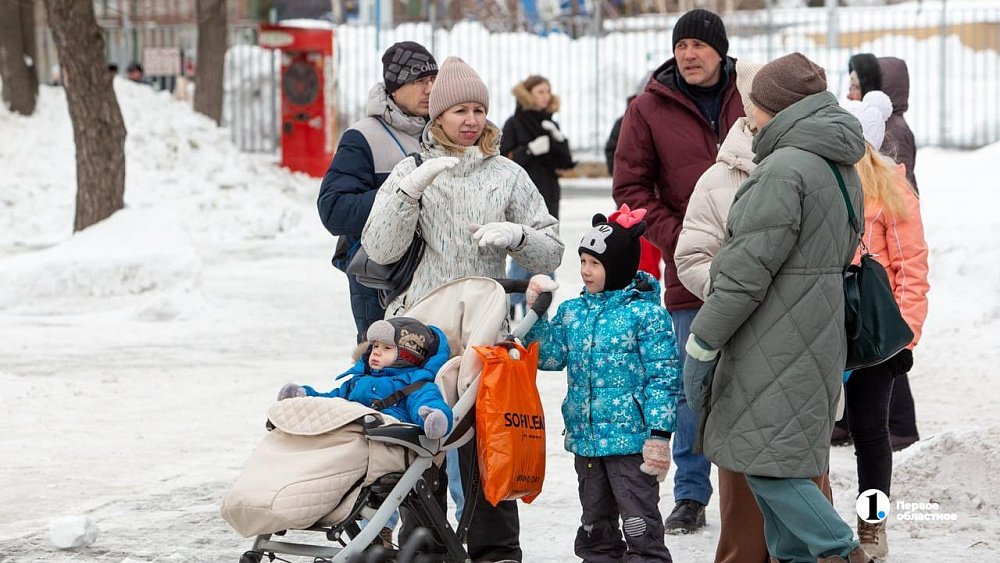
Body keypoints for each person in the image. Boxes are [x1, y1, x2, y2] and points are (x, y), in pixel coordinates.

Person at [362, 56, 563, 562]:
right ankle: (422, 550)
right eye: (458, 111)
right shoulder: (412, 170)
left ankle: (496, 553)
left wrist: (518, 235)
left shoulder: (508, 175)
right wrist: (409, 191)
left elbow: (553, 250)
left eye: (478, 109)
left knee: (486, 449)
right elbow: (380, 247)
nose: (470, 120)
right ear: (438, 117)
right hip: (419, 334)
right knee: (418, 449)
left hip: (486, 331)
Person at [682, 52, 872, 563]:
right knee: (780, 460)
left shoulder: (783, 169)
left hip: (774, 336)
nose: (751, 117)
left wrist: (703, 340)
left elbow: (743, 277)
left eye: (756, 106)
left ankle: (841, 550)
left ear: (778, 108)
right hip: (815, 328)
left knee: (765, 465)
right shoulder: (836, 163)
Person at [612, 8, 743, 534]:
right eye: (680, 45)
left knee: (758, 374)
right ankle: (690, 493)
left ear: (720, 50)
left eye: (698, 45)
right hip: (690, 271)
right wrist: (683, 241)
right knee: (692, 382)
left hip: (762, 263)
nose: (687, 54)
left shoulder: (751, 93)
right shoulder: (647, 109)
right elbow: (632, 193)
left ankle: (757, 487)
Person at [524, 204, 680, 562]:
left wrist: (659, 434)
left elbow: (664, 378)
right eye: (582, 261)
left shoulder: (646, 315)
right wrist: (535, 314)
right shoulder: (573, 312)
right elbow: (549, 358)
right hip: (587, 441)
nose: (585, 271)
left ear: (619, 266)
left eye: (594, 263)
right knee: (595, 525)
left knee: (640, 524)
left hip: (631, 444)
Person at [837, 91, 929, 560]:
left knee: (870, 436)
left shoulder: (891, 189)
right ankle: (821, 528)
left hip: (875, 336)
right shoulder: (823, 181)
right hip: (826, 329)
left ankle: (872, 526)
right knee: (815, 434)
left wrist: (906, 336)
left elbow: (912, 267)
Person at [276, 316, 455, 548]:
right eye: (375, 346)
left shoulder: (417, 385)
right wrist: (304, 396)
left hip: (384, 452)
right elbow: (332, 400)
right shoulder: (357, 382)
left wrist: (436, 417)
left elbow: (433, 404)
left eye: (387, 348)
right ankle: (285, 503)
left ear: (408, 355)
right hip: (351, 449)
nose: (376, 353)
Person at [318, 42, 437, 342]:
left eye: (433, 80)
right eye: (419, 81)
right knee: (384, 372)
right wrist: (401, 197)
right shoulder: (363, 137)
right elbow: (334, 210)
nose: (430, 88)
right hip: (381, 282)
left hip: (436, 275)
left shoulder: (444, 132)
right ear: (395, 87)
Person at [500, 75, 574, 315]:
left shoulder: (550, 123)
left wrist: (558, 141)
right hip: (521, 197)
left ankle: (542, 306)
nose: (546, 96)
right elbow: (503, 159)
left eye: (548, 91)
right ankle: (511, 303)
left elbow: (565, 162)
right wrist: (529, 150)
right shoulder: (515, 123)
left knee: (548, 250)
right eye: (541, 91)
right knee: (524, 250)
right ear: (528, 94)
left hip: (548, 194)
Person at [848, 53, 918, 192]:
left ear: (873, 90)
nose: (849, 95)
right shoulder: (879, 126)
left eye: (856, 87)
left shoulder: (892, 132)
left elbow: (896, 192)